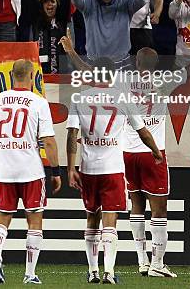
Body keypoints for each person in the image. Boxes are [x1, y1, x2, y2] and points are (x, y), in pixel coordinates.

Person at [123, 22, 190, 276]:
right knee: (159, 210)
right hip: (153, 152)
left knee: (136, 205)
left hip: (127, 152)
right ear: (155, 66)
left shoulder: (123, 82)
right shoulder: (163, 81)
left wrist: (72, 53)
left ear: (137, 64)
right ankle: (157, 264)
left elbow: (93, 74)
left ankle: (142, 261)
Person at [65, 57, 163, 284]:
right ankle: (108, 271)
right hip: (113, 169)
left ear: (93, 74)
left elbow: (71, 134)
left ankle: (92, 272)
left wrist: (71, 168)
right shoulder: (122, 97)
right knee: (111, 220)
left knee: (92, 218)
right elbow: (143, 131)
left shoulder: (79, 97)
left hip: (88, 168)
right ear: (112, 74)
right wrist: (156, 152)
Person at [0, 59, 61, 284]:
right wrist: (56, 171)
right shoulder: (38, 102)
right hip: (31, 171)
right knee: (35, 221)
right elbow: (48, 141)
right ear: (32, 77)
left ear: (11, 76)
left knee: (1, 220)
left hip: (3, 170)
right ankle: (29, 273)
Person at [71, 0, 145, 68]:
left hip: (122, 63)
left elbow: (140, 2)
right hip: (94, 62)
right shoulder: (89, 0)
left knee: (124, 84)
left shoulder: (126, 1)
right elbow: (77, 1)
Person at [33, 0, 71, 74]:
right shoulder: (37, 21)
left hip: (62, 71)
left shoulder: (61, 20)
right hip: (42, 73)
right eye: (46, 1)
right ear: (41, 6)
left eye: (52, 1)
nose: (50, 5)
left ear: (57, 4)